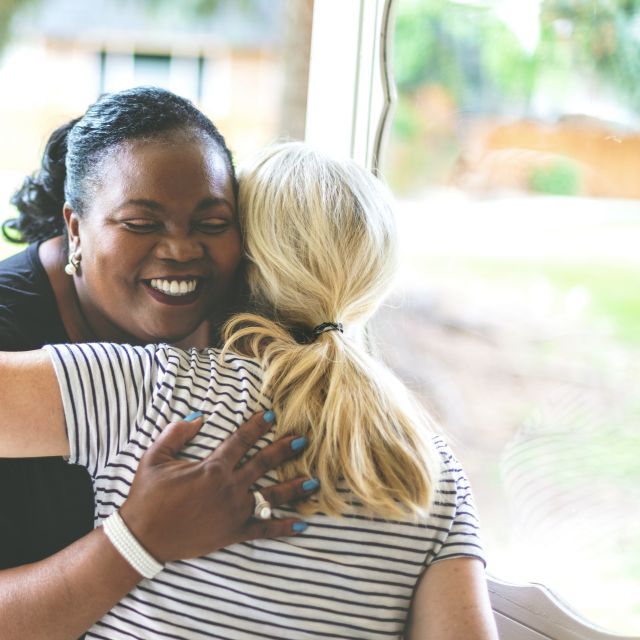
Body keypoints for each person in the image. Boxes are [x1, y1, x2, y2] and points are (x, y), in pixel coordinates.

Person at [0, 142, 498, 639]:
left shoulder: (150, 388)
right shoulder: (431, 469)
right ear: (376, 279)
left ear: (243, 259)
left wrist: (131, 543)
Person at [0, 88, 312, 640]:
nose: (181, 250)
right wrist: (136, 541)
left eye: (212, 224)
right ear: (74, 227)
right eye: (142, 224)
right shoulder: (11, 345)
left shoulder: (247, 323)